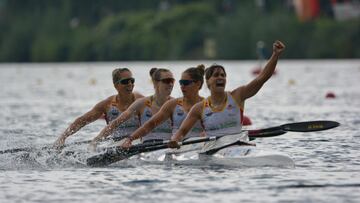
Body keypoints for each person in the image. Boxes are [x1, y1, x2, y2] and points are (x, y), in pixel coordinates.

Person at [170, 40, 285, 144]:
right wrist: (174, 141)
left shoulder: (238, 96)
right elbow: (182, 132)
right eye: (216, 75)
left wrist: (275, 55)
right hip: (211, 151)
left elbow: (262, 78)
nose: (220, 78)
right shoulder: (199, 108)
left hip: (237, 146)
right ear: (208, 82)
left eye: (223, 75)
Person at [53, 68, 143, 148]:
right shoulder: (107, 104)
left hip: (137, 141)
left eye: (132, 80)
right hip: (116, 143)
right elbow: (82, 120)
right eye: (125, 81)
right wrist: (63, 137)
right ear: (116, 85)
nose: (130, 84)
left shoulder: (141, 100)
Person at [121, 65, 206, 148]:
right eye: (181, 83)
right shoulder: (172, 104)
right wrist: (129, 139)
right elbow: (150, 125)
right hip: (176, 147)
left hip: (199, 145)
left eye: (186, 83)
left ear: (198, 84)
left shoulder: (207, 105)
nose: (182, 86)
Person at [90, 68, 175, 148]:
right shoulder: (141, 103)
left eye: (172, 81)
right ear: (156, 83)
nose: (171, 84)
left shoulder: (178, 105)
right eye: (167, 81)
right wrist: (96, 140)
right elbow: (116, 122)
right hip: (146, 148)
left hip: (169, 146)